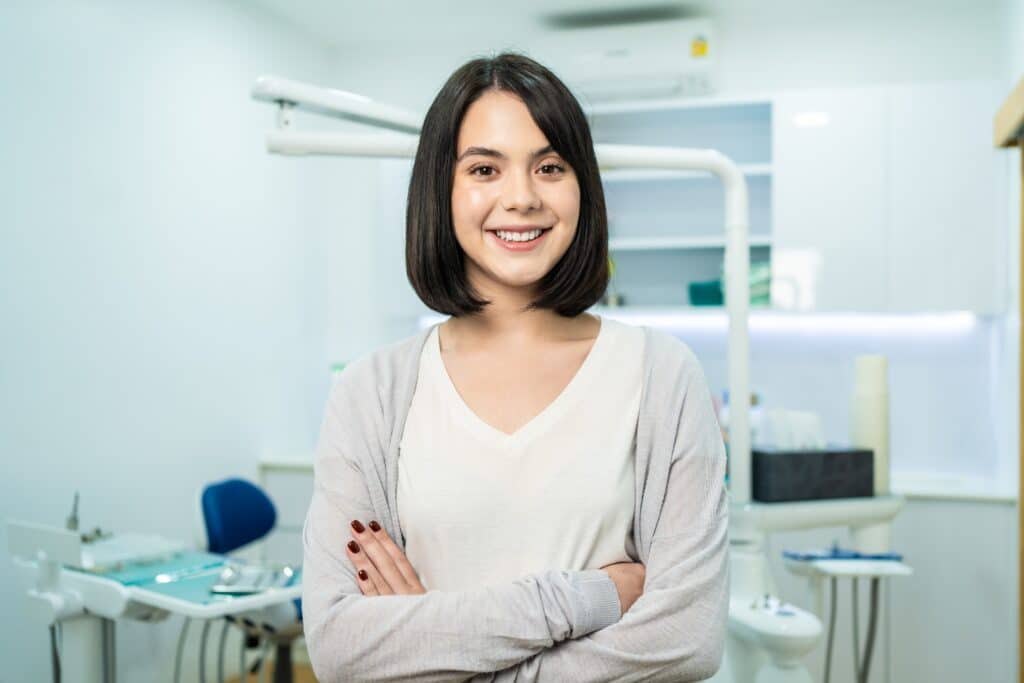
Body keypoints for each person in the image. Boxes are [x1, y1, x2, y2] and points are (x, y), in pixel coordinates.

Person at [301, 52, 729, 682]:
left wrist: (435, 648)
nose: (522, 197)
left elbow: (686, 639)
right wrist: (595, 596)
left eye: (550, 166)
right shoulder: (372, 391)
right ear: (439, 191)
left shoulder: (661, 374)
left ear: (582, 186)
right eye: (484, 168)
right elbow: (341, 647)